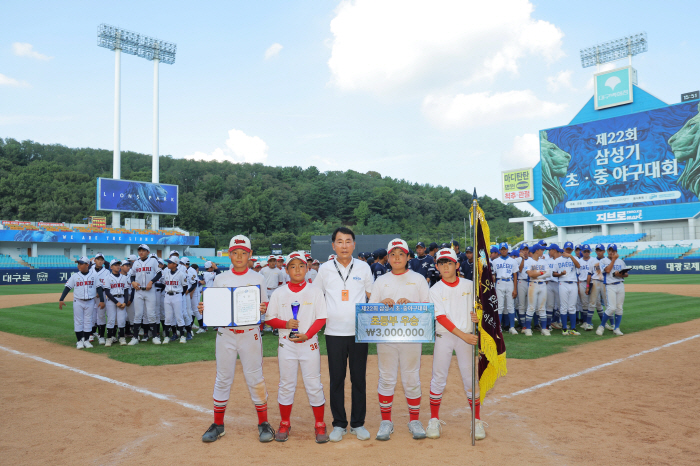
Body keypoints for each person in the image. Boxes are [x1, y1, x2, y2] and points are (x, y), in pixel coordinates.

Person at [200, 235, 274, 443]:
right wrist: (205, 309)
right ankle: (218, 424)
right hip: (226, 334)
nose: (239, 256)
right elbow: (214, 305)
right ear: (229, 254)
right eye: (235, 252)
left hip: (250, 334)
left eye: (244, 253)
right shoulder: (221, 278)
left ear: (250, 255)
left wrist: (263, 308)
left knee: (255, 378)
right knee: (223, 377)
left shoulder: (258, 277)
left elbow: (265, 305)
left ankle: (263, 423)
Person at [313, 227, 373, 443]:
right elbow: (315, 297)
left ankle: (358, 424)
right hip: (334, 332)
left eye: (348, 241)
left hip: (359, 333)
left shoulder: (364, 267)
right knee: (337, 380)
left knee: (358, 379)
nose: (344, 245)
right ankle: (339, 423)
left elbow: (372, 296)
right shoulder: (325, 269)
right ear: (333, 245)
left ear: (354, 245)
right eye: (340, 241)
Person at [368, 238, 430, 441]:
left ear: (408, 257)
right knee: (386, 377)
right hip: (386, 338)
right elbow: (369, 311)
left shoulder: (418, 279)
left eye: (401, 254)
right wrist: (380, 304)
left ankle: (414, 420)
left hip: (412, 337)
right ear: (388, 257)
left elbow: (428, 308)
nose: (397, 258)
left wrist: (411, 304)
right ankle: (386, 421)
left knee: (411, 377)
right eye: (393, 254)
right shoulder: (381, 280)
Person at [265, 251, 330, 443]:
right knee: (286, 383)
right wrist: (285, 325)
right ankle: (285, 422)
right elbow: (269, 319)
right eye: (292, 266)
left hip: (309, 344)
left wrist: (308, 335)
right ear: (286, 270)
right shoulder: (279, 293)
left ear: (307, 268)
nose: (297, 270)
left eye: (301, 266)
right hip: (287, 344)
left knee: (313, 384)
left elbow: (321, 317)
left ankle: (320, 424)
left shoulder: (315, 291)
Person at [427, 248, 485, 440]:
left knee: (470, 379)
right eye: (441, 263)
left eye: (449, 263)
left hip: (467, 336)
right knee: (438, 377)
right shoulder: (434, 289)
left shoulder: (470, 285)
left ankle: (476, 421)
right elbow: (441, 317)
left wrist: (478, 317)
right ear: (436, 266)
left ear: (457, 265)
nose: (445, 266)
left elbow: (481, 308)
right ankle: (434, 419)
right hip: (446, 336)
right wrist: (463, 336)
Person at [59, 256, 105, 349]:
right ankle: (79, 341)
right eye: (78, 263)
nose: (79, 265)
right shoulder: (75, 276)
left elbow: (99, 287)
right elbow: (67, 287)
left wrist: (102, 301)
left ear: (87, 264)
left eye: (81, 263)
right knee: (78, 321)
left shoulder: (94, 275)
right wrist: (61, 299)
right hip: (78, 301)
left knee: (88, 321)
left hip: (90, 301)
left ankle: (87, 340)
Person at [128, 244, 162, 345]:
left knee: (151, 314)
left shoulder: (153, 261)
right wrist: (133, 282)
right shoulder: (136, 263)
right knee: (138, 315)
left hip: (150, 291)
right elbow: (132, 275)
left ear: (148, 252)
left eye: (143, 250)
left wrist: (151, 282)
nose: (141, 252)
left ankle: (155, 337)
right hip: (139, 291)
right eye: (139, 250)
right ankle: (135, 337)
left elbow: (159, 273)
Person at [596, 244, 628, 336]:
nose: (611, 252)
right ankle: (601, 326)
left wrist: (619, 275)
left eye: (613, 250)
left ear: (616, 252)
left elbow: (626, 274)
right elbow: (608, 270)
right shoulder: (603, 261)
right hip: (610, 285)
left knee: (619, 307)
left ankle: (616, 328)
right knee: (611, 307)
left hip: (620, 284)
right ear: (607, 251)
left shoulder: (621, 262)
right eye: (609, 250)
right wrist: (613, 260)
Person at [522, 244, 551, 336]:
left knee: (542, 308)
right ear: (536, 251)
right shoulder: (528, 261)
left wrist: (538, 273)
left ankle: (544, 329)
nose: (543, 251)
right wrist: (542, 273)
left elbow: (549, 274)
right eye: (541, 250)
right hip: (533, 284)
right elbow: (530, 274)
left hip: (542, 284)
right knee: (531, 307)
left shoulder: (544, 261)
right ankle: (528, 329)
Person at [555, 241, 581, 335]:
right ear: (564, 249)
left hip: (573, 283)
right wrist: (560, 274)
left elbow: (578, 266)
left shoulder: (574, 258)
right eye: (567, 249)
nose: (568, 250)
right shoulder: (558, 260)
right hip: (563, 282)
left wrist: (570, 256)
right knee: (564, 307)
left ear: (572, 250)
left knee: (572, 307)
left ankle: (573, 328)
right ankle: (564, 328)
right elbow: (554, 273)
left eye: (570, 249)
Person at [492, 242, 518, 335]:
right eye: (502, 249)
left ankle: (512, 327)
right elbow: (493, 275)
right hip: (499, 282)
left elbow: (515, 275)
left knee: (510, 305)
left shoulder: (513, 261)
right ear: (499, 250)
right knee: (500, 306)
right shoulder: (495, 261)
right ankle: (499, 328)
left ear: (507, 250)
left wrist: (515, 289)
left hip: (509, 281)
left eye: (505, 249)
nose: (503, 250)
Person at [161, 256, 188, 344]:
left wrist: (179, 295)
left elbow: (185, 286)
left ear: (175, 264)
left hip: (177, 295)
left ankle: (183, 336)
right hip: (167, 295)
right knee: (168, 317)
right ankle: (167, 337)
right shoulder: (166, 273)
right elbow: (165, 284)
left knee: (179, 316)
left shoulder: (181, 274)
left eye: (169, 263)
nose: (167, 264)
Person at [102, 259, 130, 347]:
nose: (117, 266)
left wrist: (125, 302)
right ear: (111, 267)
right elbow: (107, 292)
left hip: (121, 299)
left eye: (118, 265)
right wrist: (116, 302)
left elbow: (126, 291)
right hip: (111, 300)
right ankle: (109, 339)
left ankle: (122, 338)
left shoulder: (124, 277)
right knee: (111, 320)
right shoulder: (107, 278)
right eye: (115, 265)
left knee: (121, 320)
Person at [576, 245, 596, 330]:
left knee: (592, 302)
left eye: (588, 251)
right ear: (582, 252)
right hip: (582, 282)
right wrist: (577, 286)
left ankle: (589, 321)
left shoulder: (594, 260)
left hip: (592, 283)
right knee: (584, 303)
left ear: (590, 252)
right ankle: (585, 322)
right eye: (585, 251)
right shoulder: (579, 261)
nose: (586, 253)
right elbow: (577, 274)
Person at [588, 244, 608, 327]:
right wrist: (588, 286)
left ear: (604, 251)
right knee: (592, 302)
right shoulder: (592, 261)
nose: (599, 252)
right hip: (595, 281)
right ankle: (588, 323)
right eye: (597, 250)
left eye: (600, 250)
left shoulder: (607, 260)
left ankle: (606, 323)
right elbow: (589, 274)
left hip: (604, 283)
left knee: (607, 304)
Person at [544, 244, 561, 330]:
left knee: (560, 305)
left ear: (554, 250)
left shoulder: (561, 260)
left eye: (549, 250)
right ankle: (548, 324)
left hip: (559, 284)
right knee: (549, 305)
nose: (548, 251)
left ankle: (555, 321)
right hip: (549, 283)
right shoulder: (548, 260)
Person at [515, 244, 529, 327]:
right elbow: (519, 270)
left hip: (529, 281)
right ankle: (523, 325)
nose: (525, 251)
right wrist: (523, 259)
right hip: (521, 281)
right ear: (520, 251)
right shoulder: (517, 260)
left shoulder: (531, 259)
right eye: (523, 250)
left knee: (528, 304)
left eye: (526, 250)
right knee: (521, 304)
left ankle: (527, 324)